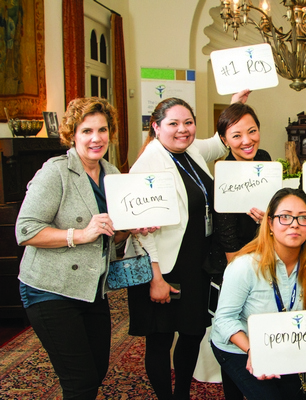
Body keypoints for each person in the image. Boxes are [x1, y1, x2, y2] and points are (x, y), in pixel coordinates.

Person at [15, 97, 135, 399]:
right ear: (72, 134)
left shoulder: (113, 175)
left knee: (97, 372)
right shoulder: (55, 172)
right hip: (50, 288)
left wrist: (129, 230)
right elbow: (25, 230)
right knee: (79, 382)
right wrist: (80, 234)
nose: (97, 138)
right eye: (87, 131)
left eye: (103, 130)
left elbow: (108, 239)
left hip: (91, 290)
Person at [126, 96, 231, 400]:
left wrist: (235, 103)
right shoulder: (148, 165)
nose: (182, 130)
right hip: (164, 265)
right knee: (160, 339)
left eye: (188, 122)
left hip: (196, 261)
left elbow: (218, 143)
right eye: (173, 123)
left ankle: (181, 393)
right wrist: (156, 277)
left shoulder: (191, 151)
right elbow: (141, 231)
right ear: (156, 127)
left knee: (193, 331)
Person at [210, 188, 306, 400]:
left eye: (303, 218)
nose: (294, 224)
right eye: (285, 217)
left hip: (288, 342)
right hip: (239, 346)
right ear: (270, 224)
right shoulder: (244, 266)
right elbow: (223, 319)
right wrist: (252, 351)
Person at [214, 102, 271, 399]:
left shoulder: (265, 160)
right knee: (236, 335)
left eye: (252, 131)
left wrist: (269, 222)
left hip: (268, 264)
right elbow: (228, 244)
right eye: (236, 135)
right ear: (224, 140)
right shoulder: (224, 173)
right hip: (238, 267)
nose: (247, 140)